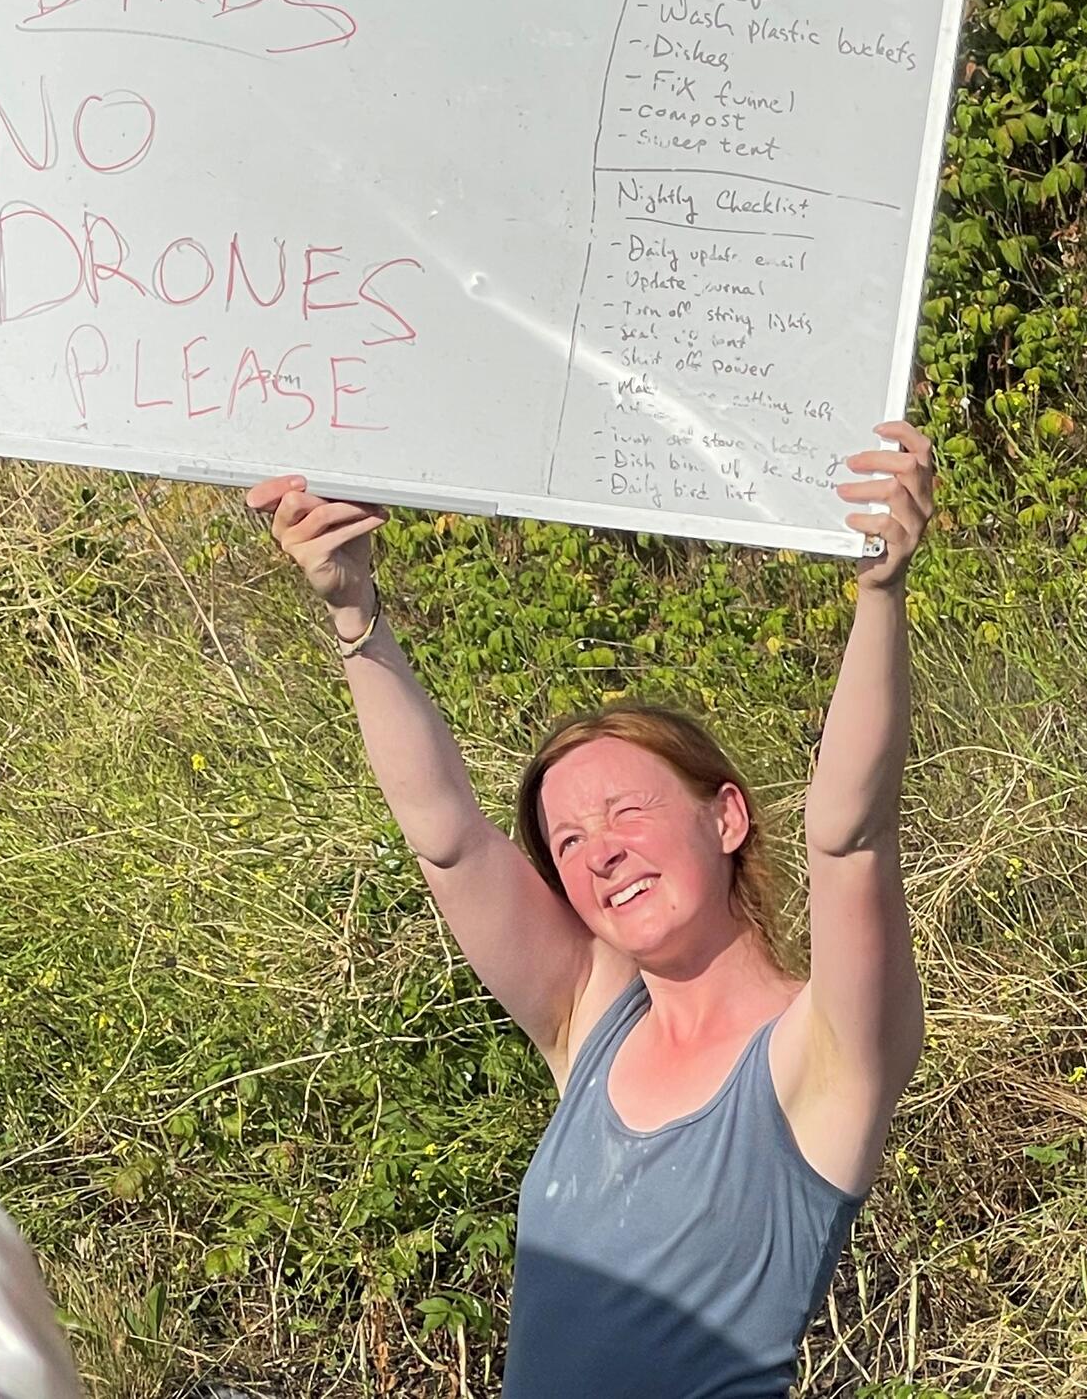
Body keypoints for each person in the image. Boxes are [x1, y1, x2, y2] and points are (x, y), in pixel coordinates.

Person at [247, 421, 934, 1399]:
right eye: (566, 841)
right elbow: (446, 836)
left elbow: (847, 835)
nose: (596, 848)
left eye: (623, 813)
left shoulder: (820, 1054)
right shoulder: (590, 1023)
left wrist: (879, 591)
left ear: (724, 814)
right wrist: (354, 611)